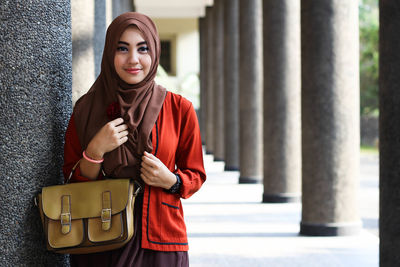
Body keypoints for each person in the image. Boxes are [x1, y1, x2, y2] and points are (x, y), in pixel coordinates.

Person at [63, 12, 206, 267]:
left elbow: (195, 174)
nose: (133, 59)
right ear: (109, 53)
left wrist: (171, 180)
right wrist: (94, 151)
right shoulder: (86, 109)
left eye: (143, 48)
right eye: (122, 48)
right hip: (99, 240)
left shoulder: (179, 109)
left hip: (160, 241)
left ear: (154, 51)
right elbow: (70, 181)